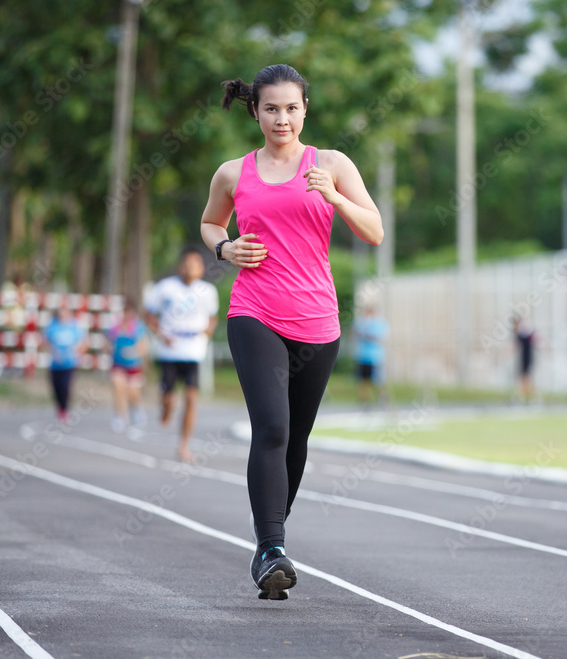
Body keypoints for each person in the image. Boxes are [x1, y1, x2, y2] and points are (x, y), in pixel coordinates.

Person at [202, 64, 383, 600]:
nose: (282, 118)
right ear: (255, 111)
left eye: (291, 108)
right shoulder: (232, 173)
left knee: (295, 439)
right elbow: (211, 222)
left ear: (305, 110)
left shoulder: (332, 164)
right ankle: (271, 549)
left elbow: (374, 231)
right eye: (271, 108)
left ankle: (269, 530)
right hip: (254, 312)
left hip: (317, 322)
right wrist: (225, 248)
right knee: (273, 428)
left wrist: (336, 197)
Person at [144, 248, 218, 463]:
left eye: (195, 264)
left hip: (194, 352)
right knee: (169, 398)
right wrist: (161, 334)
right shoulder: (165, 287)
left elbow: (213, 317)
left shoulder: (208, 291)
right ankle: (165, 408)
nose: (190, 268)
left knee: (191, 398)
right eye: (186, 264)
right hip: (170, 351)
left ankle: (184, 445)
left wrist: (208, 330)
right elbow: (149, 314)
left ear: (201, 268)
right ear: (180, 266)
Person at [106, 297, 150, 434]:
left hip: (133, 365)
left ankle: (137, 409)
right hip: (118, 364)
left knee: (132, 392)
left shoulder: (138, 326)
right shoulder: (115, 326)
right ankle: (120, 416)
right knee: (118, 386)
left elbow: (144, 346)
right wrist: (110, 349)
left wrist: (134, 352)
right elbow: (107, 343)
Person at [42, 305, 88, 421]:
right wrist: (52, 352)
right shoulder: (52, 326)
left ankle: (65, 409)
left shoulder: (75, 326)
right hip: (55, 363)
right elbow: (45, 342)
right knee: (56, 387)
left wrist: (77, 354)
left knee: (65, 386)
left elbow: (83, 343)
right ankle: (60, 408)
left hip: (69, 363)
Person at [352, 303, 388, 406]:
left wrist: (367, 335)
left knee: (378, 379)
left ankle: (382, 397)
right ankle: (364, 400)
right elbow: (354, 334)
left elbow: (380, 338)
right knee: (363, 380)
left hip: (375, 357)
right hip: (363, 356)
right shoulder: (361, 322)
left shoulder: (380, 324)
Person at [512, 314, 536, 404]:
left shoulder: (524, 331)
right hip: (523, 357)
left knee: (526, 378)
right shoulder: (521, 332)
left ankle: (531, 397)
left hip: (527, 357)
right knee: (523, 378)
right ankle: (521, 397)